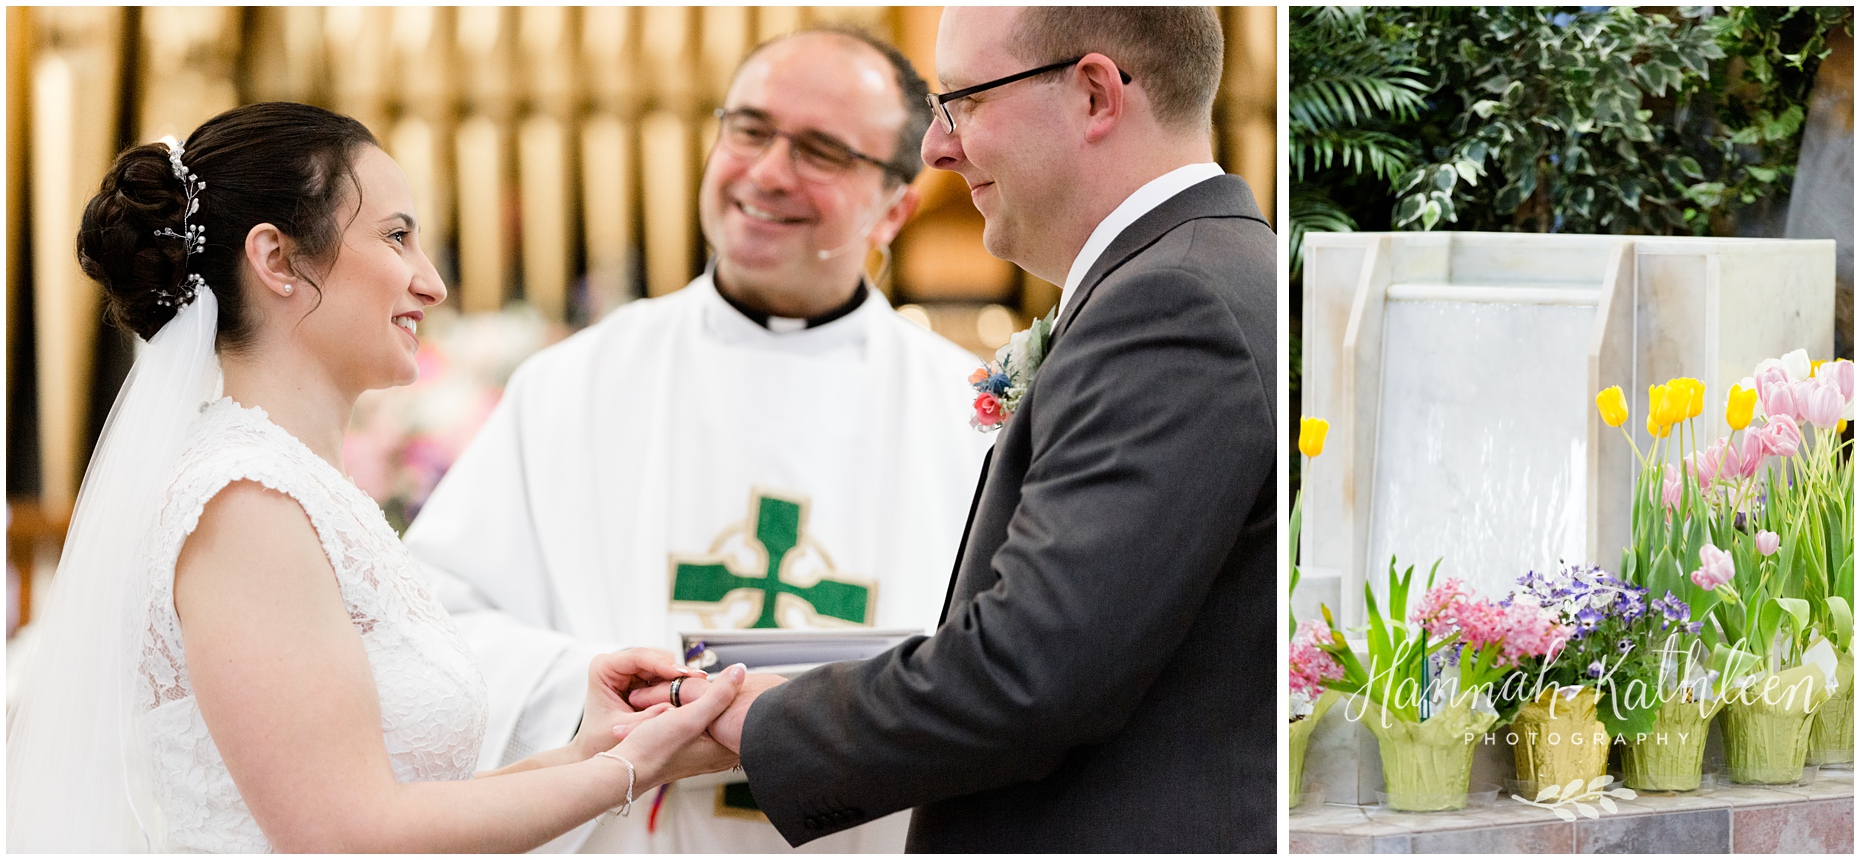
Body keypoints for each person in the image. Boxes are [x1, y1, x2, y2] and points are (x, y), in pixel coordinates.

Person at [4, 102, 747, 853]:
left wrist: (593, 750)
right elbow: (341, 834)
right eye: (397, 237)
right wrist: (628, 770)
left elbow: (389, 802)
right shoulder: (244, 502)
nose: (432, 284)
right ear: (277, 260)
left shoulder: (298, 488)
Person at [637, 7, 1275, 851]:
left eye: (964, 100)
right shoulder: (1200, 271)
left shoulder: (1171, 302)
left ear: (1093, 95)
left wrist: (752, 720)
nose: (937, 148)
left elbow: (1031, 673)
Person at [402, 28, 993, 853]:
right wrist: (597, 694)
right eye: (748, 130)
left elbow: (1019, 668)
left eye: (821, 150)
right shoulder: (576, 384)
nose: (766, 171)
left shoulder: (967, 413)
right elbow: (434, 628)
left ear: (897, 205)